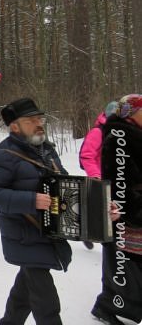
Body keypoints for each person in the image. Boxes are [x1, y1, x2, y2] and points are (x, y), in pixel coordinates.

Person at [0, 97, 72, 324]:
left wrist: (96, 203)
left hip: (47, 231)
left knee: (25, 291)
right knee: (46, 300)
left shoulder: (46, 150)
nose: (38, 123)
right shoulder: (4, 155)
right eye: (30, 120)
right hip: (23, 234)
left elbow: (66, 183)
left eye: (39, 118)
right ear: (15, 126)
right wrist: (31, 200)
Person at [90, 94, 142, 325]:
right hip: (126, 215)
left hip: (133, 212)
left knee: (132, 267)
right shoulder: (120, 136)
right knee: (127, 267)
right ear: (132, 113)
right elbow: (118, 180)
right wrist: (129, 213)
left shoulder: (133, 135)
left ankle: (112, 305)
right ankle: (109, 308)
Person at [79, 101, 119, 179]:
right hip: (103, 181)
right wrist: (96, 175)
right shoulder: (97, 132)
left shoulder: (120, 132)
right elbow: (86, 156)